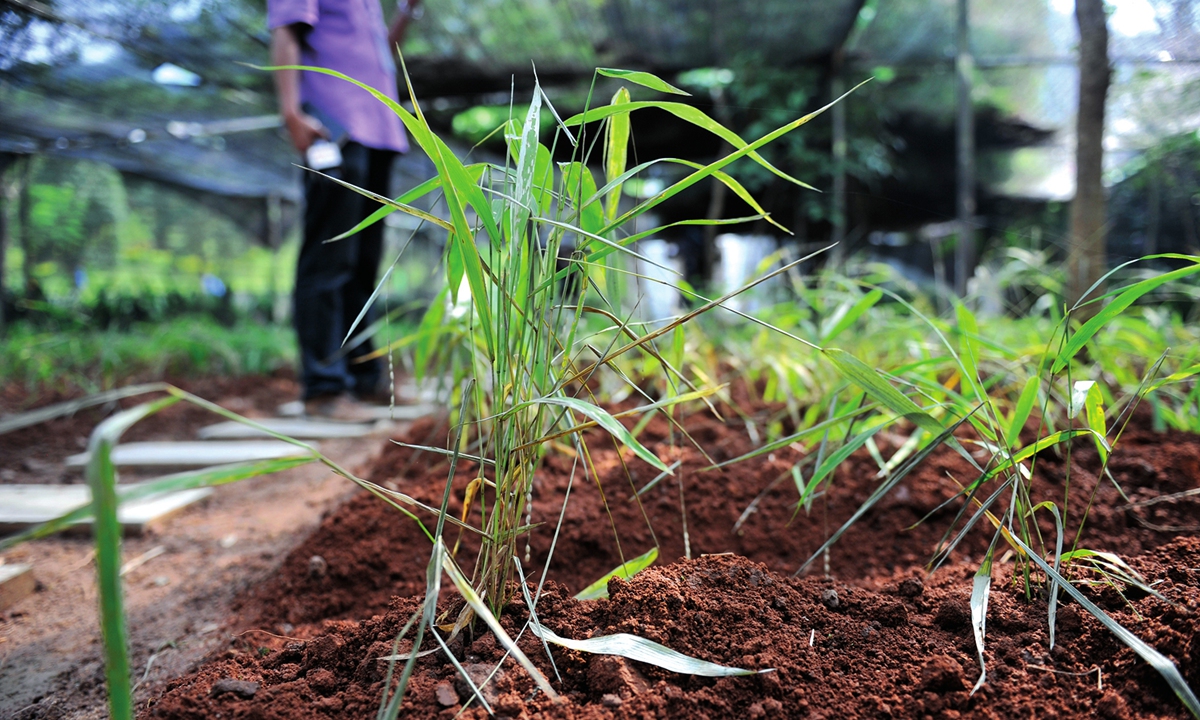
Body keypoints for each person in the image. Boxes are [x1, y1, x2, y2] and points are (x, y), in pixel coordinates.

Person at [268, 0, 421, 420]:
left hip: (380, 130)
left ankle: (364, 380)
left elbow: (380, 55)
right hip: (334, 125)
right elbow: (285, 29)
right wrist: (291, 111)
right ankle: (323, 388)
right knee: (329, 256)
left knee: (363, 264)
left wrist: (408, 11)